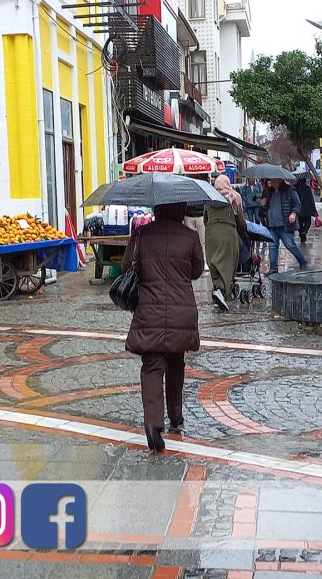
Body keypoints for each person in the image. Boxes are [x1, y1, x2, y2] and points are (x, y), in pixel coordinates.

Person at [123, 202, 204, 453]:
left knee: (151, 366)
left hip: (150, 310)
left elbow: (126, 267)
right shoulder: (190, 236)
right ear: (181, 209)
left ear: (157, 208)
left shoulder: (141, 235)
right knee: (176, 363)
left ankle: (153, 423)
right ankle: (176, 418)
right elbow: (196, 270)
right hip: (182, 311)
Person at [205, 176, 248, 311]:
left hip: (211, 234)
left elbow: (205, 218)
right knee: (227, 263)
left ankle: (217, 288)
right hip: (227, 234)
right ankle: (222, 291)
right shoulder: (234, 197)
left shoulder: (209, 198)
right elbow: (241, 223)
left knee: (214, 261)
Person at [261, 178, 307, 274]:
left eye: (273, 181)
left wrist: (293, 213)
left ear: (279, 180)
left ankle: (302, 261)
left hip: (285, 225)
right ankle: (273, 268)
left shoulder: (289, 190)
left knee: (290, 245)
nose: (271, 183)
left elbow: (297, 204)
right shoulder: (269, 192)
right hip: (272, 225)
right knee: (272, 246)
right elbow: (266, 207)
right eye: (271, 181)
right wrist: (263, 204)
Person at [183, 176, 208, 261]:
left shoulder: (201, 188)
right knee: (197, 240)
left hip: (196, 216)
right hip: (192, 215)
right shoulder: (188, 188)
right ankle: (198, 259)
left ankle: (203, 259)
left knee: (200, 240)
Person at [294, 175, 317, 243]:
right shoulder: (308, 188)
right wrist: (314, 210)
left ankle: (301, 234)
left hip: (298, 209)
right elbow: (311, 200)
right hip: (307, 209)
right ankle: (305, 231)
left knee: (300, 223)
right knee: (308, 222)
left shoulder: (295, 188)